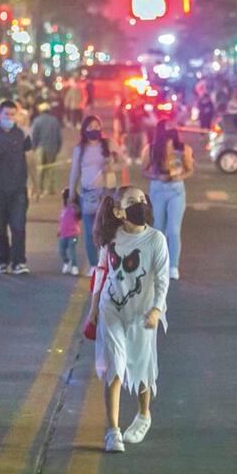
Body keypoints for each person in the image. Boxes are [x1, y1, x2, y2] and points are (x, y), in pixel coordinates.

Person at [87, 186, 170, 453]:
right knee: (116, 365)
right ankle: (112, 431)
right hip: (112, 308)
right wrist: (93, 307)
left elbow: (162, 278)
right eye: (132, 201)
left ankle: (144, 415)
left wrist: (157, 310)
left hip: (142, 312)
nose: (140, 204)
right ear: (118, 211)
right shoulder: (111, 239)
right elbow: (102, 271)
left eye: (142, 200)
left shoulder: (156, 239)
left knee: (142, 364)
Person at [0, 100, 38, 275]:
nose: (9, 117)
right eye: (6, 114)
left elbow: (30, 159)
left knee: (18, 226)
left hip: (18, 189)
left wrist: (35, 184)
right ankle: (3, 260)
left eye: (12, 114)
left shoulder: (23, 134)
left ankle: (19, 262)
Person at [68, 116, 124, 275]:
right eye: (90, 126)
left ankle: (109, 262)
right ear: (84, 130)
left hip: (107, 193)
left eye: (97, 126)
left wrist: (112, 167)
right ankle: (94, 264)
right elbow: (75, 171)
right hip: (88, 194)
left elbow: (123, 162)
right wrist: (72, 192)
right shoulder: (80, 149)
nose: (94, 129)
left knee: (108, 230)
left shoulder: (108, 144)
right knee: (90, 231)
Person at [142, 121, 194, 280]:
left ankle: (173, 266)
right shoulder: (151, 149)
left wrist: (179, 176)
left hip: (176, 191)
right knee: (158, 229)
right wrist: (157, 176)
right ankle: (158, 263)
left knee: (173, 230)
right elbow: (143, 170)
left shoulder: (183, 149)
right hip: (158, 189)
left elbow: (190, 169)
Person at [31, 103, 63, 196]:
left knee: (40, 169)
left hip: (40, 148)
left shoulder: (37, 121)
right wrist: (58, 148)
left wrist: (34, 148)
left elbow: (34, 136)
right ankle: (50, 189)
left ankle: (39, 188)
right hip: (52, 148)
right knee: (51, 169)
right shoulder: (55, 121)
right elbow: (59, 137)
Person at [58, 188, 81, 276]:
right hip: (63, 235)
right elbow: (62, 221)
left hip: (73, 234)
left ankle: (74, 266)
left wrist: (75, 205)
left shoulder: (74, 208)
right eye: (67, 198)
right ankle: (67, 262)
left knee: (72, 251)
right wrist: (59, 230)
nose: (69, 200)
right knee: (61, 250)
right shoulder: (64, 209)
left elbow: (79, 213)